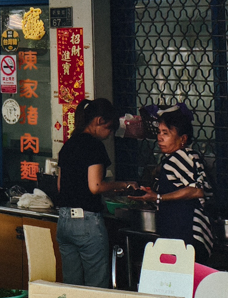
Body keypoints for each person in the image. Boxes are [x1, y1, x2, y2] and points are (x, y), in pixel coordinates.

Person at [56, 98, 139, 287]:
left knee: (72, 285)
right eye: (109, 128)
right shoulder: (94, 146)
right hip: (86, 223)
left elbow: (60, 186)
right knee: (96, 287)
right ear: (99, 120)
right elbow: (95, 186)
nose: (109, 134)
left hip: (64, 222)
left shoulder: (68, 145)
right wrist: (124, 185)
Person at [135, 107, 213, 262]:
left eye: (166, 133)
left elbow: (196, 191)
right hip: (185, 234)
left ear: (182, 138)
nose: (160, 138)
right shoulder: (187, 156)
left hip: (186, 235)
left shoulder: (180, 157)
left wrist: (159, 197)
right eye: (159, 132)